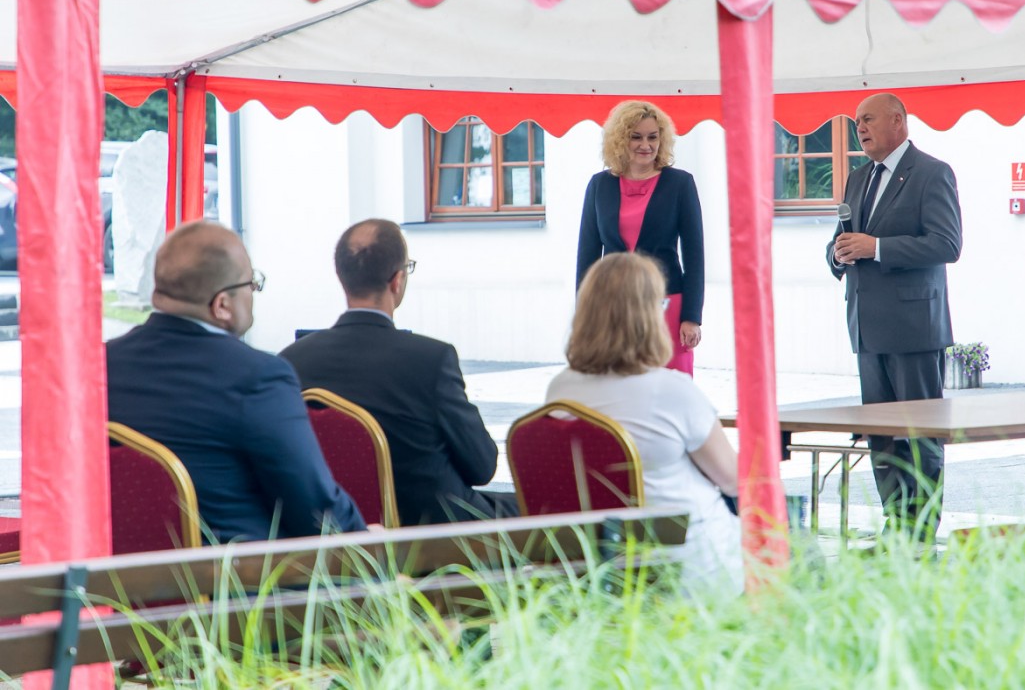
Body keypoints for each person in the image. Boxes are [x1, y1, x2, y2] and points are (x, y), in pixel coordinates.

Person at [107, 221, 367, 543]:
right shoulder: (258, 377)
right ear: (222, 305)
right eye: (251, 283)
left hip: (116, 570)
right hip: (238, 570)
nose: (254, 292)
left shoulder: (101, 366)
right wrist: (370, 541)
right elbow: (318, 514)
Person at [279, 218, 519, 526]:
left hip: (337, 526)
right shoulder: (431, 360)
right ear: (397, 280)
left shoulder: (292, 361)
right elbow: (482, 466)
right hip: (434, 531)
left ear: (342, 277)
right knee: (542, 507)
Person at [547, 253, 742, 592]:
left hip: (599, 565)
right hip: (690, 566)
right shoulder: (673, 391)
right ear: (648, 316)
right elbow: (737, 482)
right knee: (803, 551)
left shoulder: (560, 390)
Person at [826, 93, 963, 539]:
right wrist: (838, 254)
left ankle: (922, 530)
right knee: (881, 435)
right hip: (866, 328)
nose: (860, 128)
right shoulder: (858, 178)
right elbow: (844, 238)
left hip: (913, 328)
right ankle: (896, 523)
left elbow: (947, 244)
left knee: (920, 434)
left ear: (898, 121)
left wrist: (878, 247)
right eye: (856, 123)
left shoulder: (932, 173)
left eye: (868, 120)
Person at [577, 100, 704, 376]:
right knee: (617, 383)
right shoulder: (599, 186)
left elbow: (695, 256)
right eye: (636, 137)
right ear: (620, 140)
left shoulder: (680, 184)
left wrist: (692, 317)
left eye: (652, 137)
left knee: (672, 384)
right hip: (614, 305)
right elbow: (587, 257)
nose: (645, 145)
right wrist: (584, 315)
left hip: (668, 303)